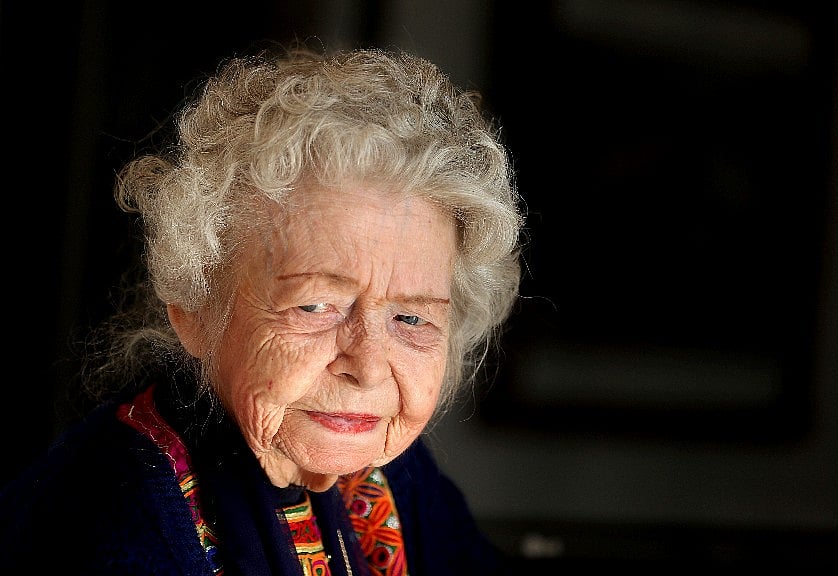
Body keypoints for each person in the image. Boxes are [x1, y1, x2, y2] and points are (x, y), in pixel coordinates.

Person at [0, 43, 524, 575]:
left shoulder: (397, 476)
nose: (367, 368)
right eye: (315, 306)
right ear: (196, 310)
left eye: (411, 319)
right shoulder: (111, 520)